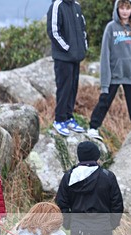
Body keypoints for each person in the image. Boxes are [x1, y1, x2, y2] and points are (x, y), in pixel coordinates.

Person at [87, 0, 131, 144]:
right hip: (114, 74)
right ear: (117, 9)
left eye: (127, 8)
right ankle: (93, 128)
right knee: (105, 100)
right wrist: (105, 80)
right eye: (122, 8)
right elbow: (105, 54)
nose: (124, 11)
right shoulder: (110, 28)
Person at [46, 0, 88, 137]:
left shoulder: (76, 6)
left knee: (73, 87)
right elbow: (53, 31)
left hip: (76, 56)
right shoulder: (57, 5)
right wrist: (67, 48)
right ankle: (59, 120)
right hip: (63, 58)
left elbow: (83, 29)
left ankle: (69, 117)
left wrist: (83, 47)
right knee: (64, 88)